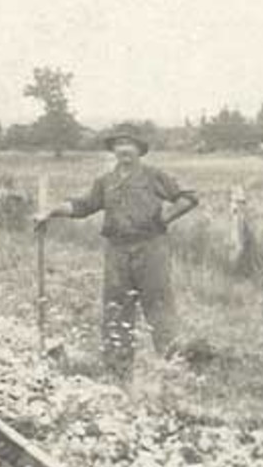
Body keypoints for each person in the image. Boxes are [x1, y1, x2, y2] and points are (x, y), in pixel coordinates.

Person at [36, 123, 198, 382]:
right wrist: (52, 211)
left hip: (151, 248)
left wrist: (165, 218)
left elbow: (187, 197)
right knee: (116, 309)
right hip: (117, 251)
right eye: (119, 144)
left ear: (139, 150)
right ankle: (118, 374)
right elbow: (83, 206)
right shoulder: (105, 181)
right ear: (113, 150)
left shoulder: (153, 175)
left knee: (159, 306)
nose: (124, 149)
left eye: (130, 144)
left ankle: (172, 369)